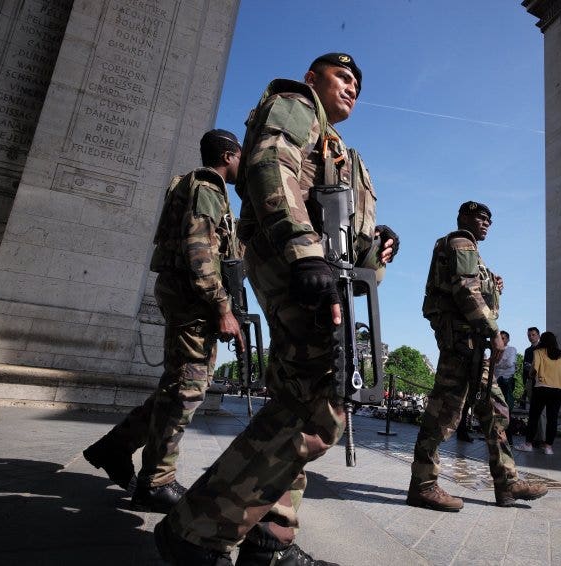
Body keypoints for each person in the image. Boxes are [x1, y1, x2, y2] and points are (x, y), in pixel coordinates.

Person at [154, 53, 399, 566]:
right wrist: (304, 252)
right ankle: (196, 529)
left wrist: (376, 248)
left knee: (297, 399)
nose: (352, 86)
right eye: (342, 76)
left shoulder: (340, 149)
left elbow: (346, 239)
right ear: (314, 79)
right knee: (322, 404)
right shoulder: (295, 105)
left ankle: (270, 538)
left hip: (314, 269)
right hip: (294, 263)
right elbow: (269, 164)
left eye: (358, 82)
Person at [83, 130, 243, 513]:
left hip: (190, 298)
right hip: (194, 300)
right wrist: (222, 307)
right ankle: (156, 481)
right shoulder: (208, 187)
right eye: (241, 156)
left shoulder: (204, 188)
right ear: (227, 154)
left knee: (181, 386)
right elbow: (200, 250)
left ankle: (115, 447)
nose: (244, 163)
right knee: (187, 388)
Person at [409, 201, 548, 512]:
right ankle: (423, 485)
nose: (485, 223)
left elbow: (473, 286)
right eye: (479, 217)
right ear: (463, 217)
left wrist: (494, 288)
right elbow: (464, 289)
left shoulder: (472, 251)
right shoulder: (461, 242)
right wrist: (493, 329)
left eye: (489, 219)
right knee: (443, 415)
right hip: (462, 344)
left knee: (495, 412)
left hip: (473, 346)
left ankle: (507, 483)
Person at [518, 331, 561, 455]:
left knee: (534, 417)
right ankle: (548, 447)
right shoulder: (559, 355)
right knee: (552, 419)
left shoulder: (538, 352)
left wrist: (530, 375)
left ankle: (528, 444)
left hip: (542, 388)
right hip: (559, 389)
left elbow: (534, 369)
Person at [494, 330, 518, 415]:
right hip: (495, 381)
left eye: (503, 338)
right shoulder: (495, 351)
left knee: (506, 404)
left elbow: (509, 363)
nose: (501, 340)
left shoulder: (511, 350)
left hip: (506, 380)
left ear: (508, 340)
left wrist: (498, 363)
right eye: (499, 338)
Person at [519, 327, 540, 410]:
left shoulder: (542, 349)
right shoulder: (527, 350)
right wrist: (525, 381)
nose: (531, 337)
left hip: (540, 380)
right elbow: (525, 367)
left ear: (538, 335)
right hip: (530, 380)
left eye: (533, 335)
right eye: (529, 335)